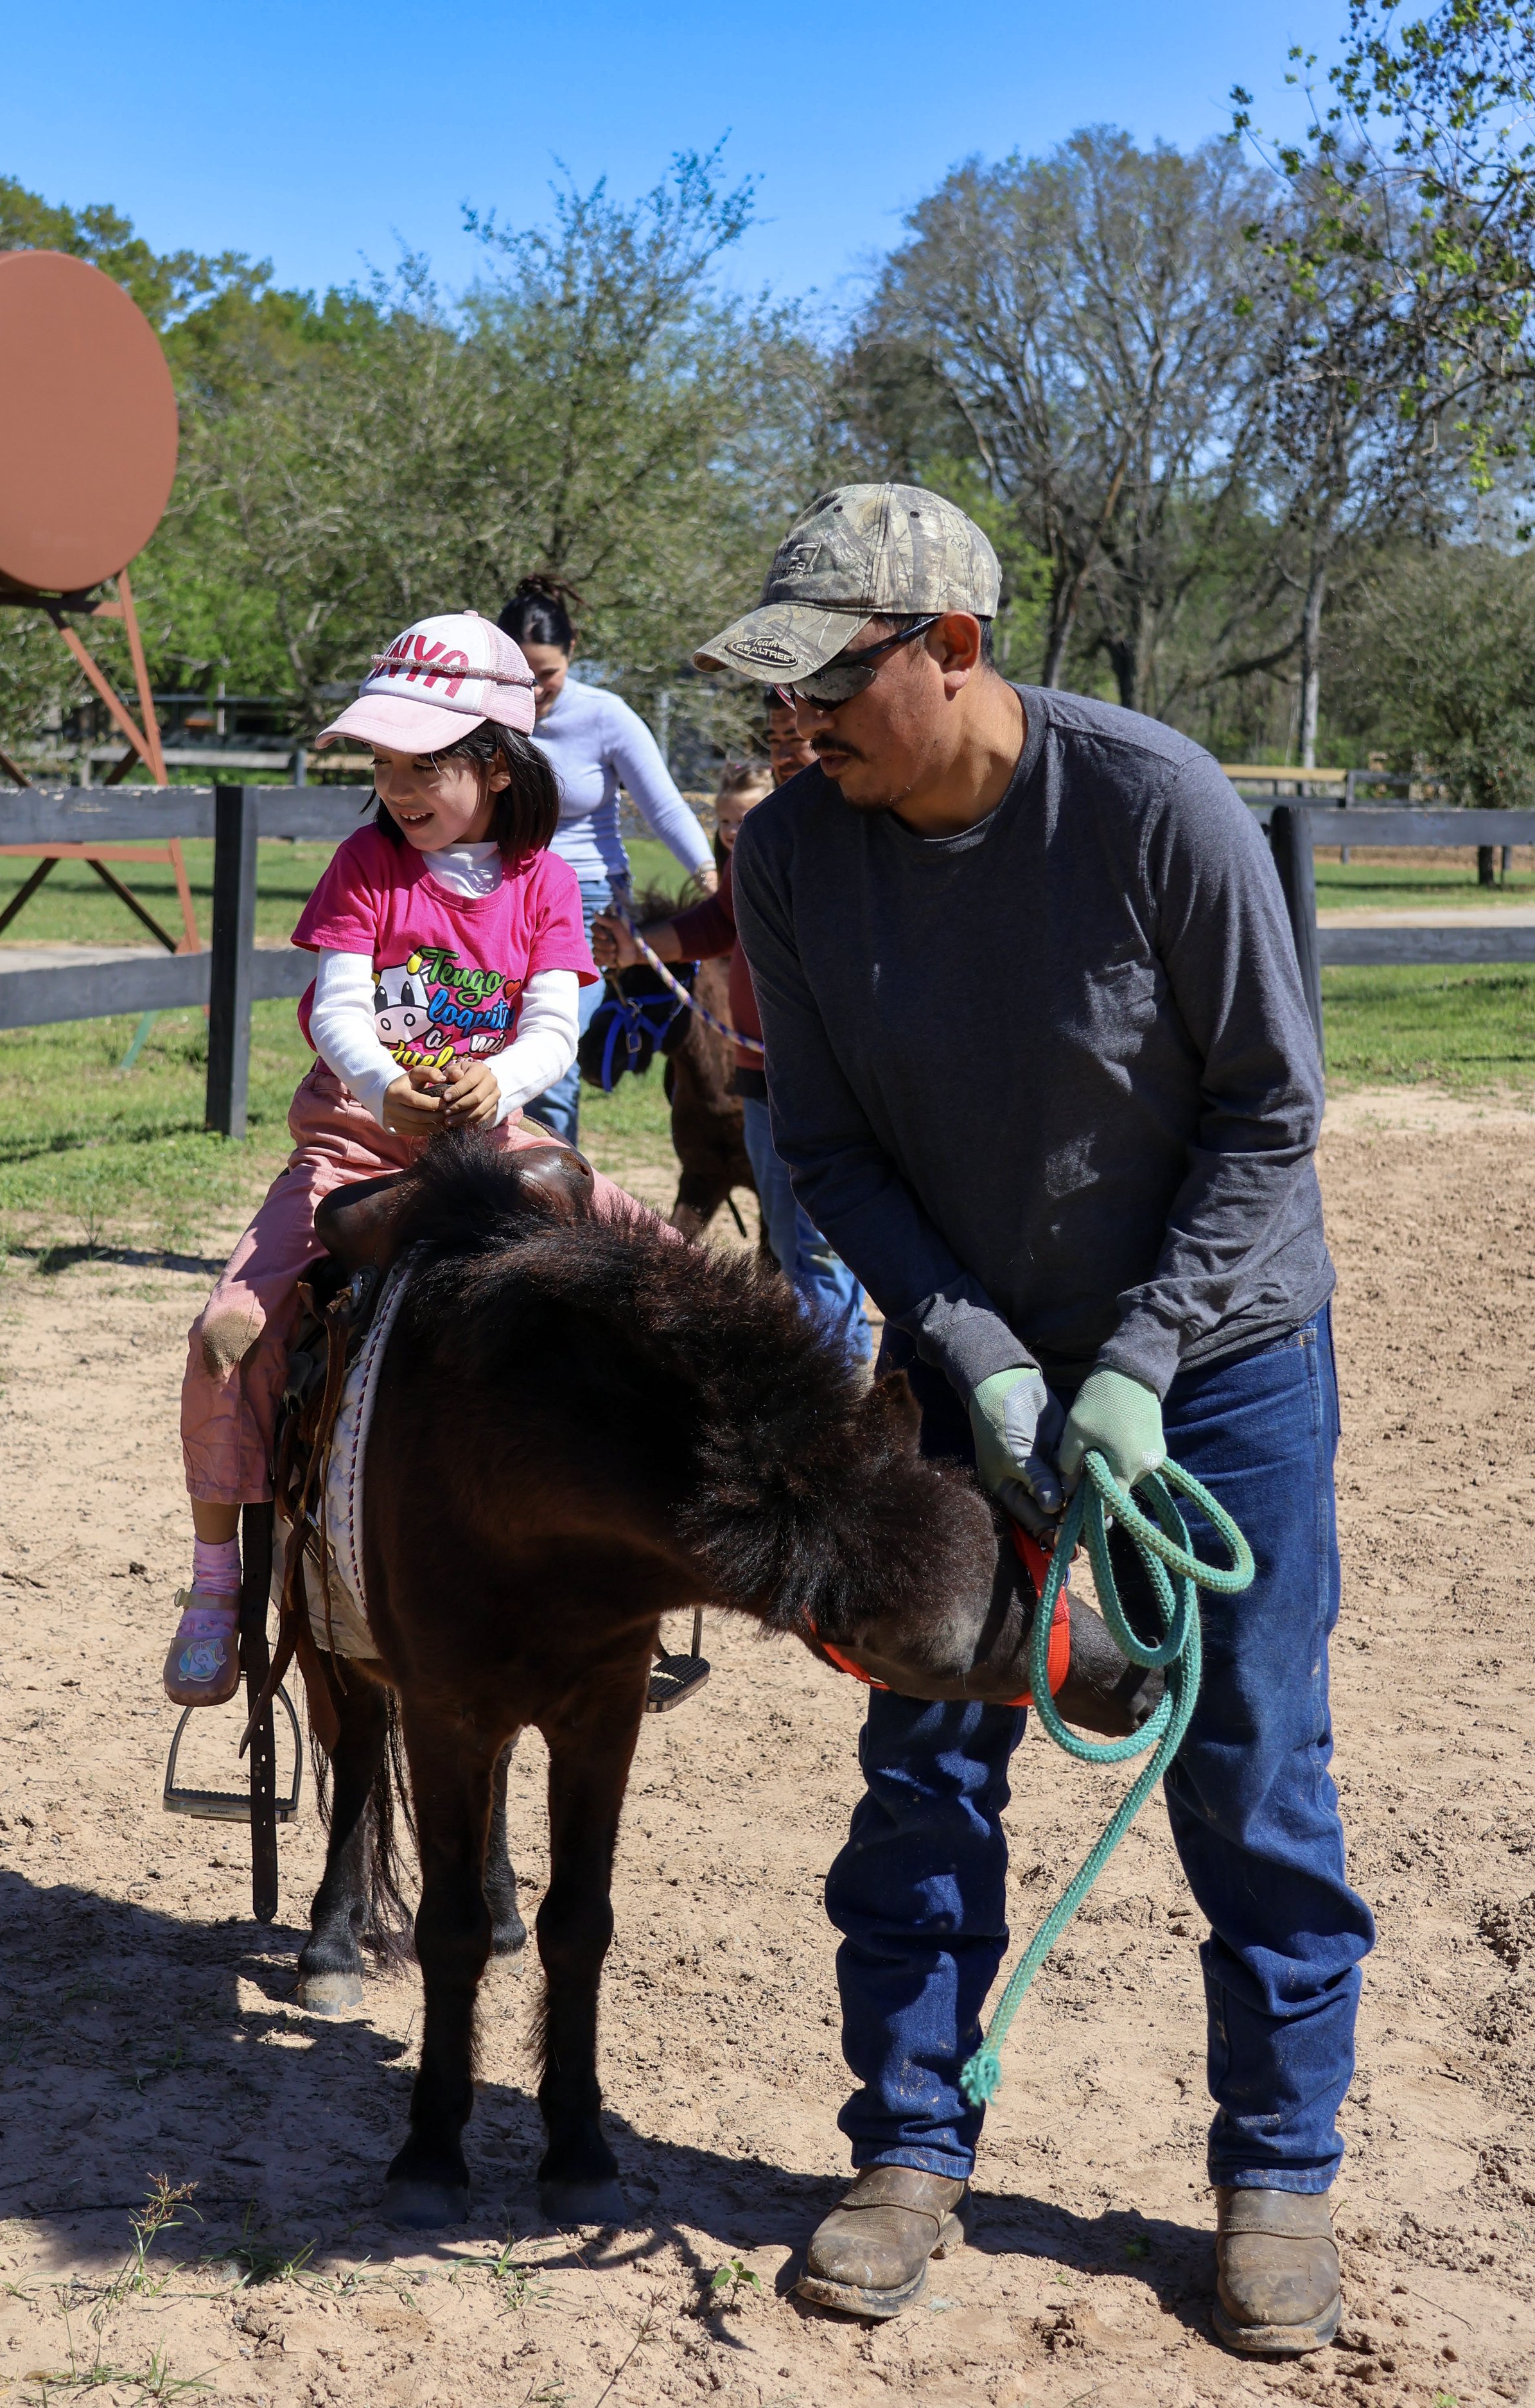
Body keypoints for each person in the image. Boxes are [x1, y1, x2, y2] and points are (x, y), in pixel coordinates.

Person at [696, 484, 1373, 2359]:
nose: (795, 732)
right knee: (921, 1758)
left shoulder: (1148, 804)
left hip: (1214, 1368)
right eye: (778, 698)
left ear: (953, 651)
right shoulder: (790, 858)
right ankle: (907, 2146)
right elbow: (821, 1142)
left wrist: (1139, 1361)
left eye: (825, 688)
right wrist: (979, 1356)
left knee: (1245, 1756)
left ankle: (1271, 2174)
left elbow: (1262, 1113)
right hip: (960, 1365)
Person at [168, 609, 644, 1709]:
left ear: (496, 760)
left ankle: (627, 1558)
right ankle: (211, 1580)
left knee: (659, 1276)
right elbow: (338, 1008)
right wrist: (388, 1089)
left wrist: (501, 1084)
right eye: (384, 765)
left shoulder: (544, 885)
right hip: (354, 1146)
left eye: (424, 765)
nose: (398, 786)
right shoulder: (367, 865)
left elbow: (553, 1024)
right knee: (228, 1333)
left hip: (498, 1140)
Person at [593, 761, 873, 1372]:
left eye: (746, 820)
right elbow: (718, 924)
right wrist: (636, 945)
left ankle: (831, 1387)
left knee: (815, 1248)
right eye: (723, 822)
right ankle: (837, 1379)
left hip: (816, 1079)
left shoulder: (819, 862)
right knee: (797, 1249)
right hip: (756, 1078)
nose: (731, 835)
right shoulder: (748, 869)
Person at [498, 577, 716, 1145]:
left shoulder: (606, 716)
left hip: (586, 900)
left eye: (547, 674)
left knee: (552, 1050)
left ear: (573, 652)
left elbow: (664, 806)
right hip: (499, 894)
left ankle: (553, 1199)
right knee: (492, 1041)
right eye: (520, 675)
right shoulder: (488, 717)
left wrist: (709, 875)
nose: (536, 690)